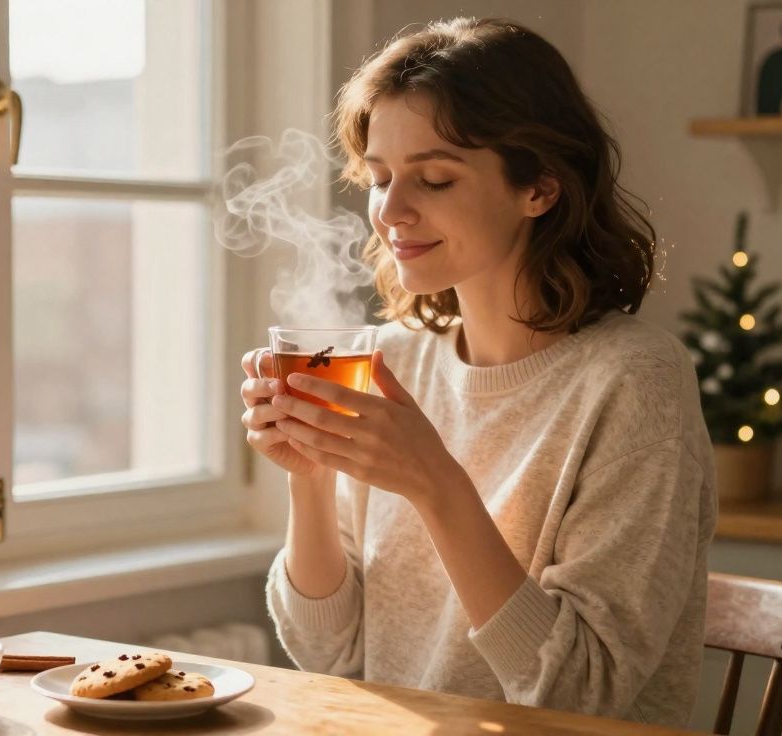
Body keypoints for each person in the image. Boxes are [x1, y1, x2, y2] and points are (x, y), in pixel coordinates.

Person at [239, 17, 715, 728]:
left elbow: (578, 695)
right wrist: (310, 472)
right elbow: (325, 654)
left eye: (433, 178)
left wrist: (433, 481)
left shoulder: (634, 383)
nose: (390, 211)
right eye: (378, 177)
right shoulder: (389, 360)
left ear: (540, 188)